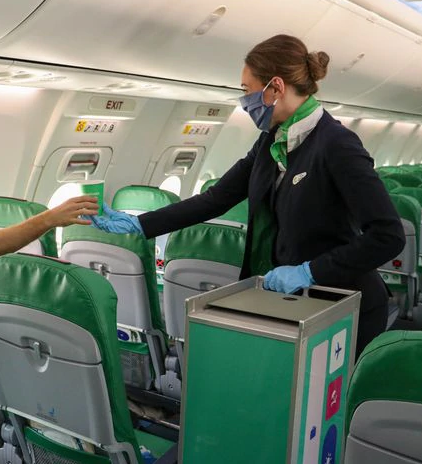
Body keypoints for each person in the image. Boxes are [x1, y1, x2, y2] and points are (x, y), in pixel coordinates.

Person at [87, 34, 405, 357]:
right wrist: (140, 225)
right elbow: (215, 199)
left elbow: (388, 236)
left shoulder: (338, 145)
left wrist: (310, 271)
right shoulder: (270, 142)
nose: (244, 101)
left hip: (343, 310)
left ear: (275, 88)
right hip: (290, 307)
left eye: (247, 90)